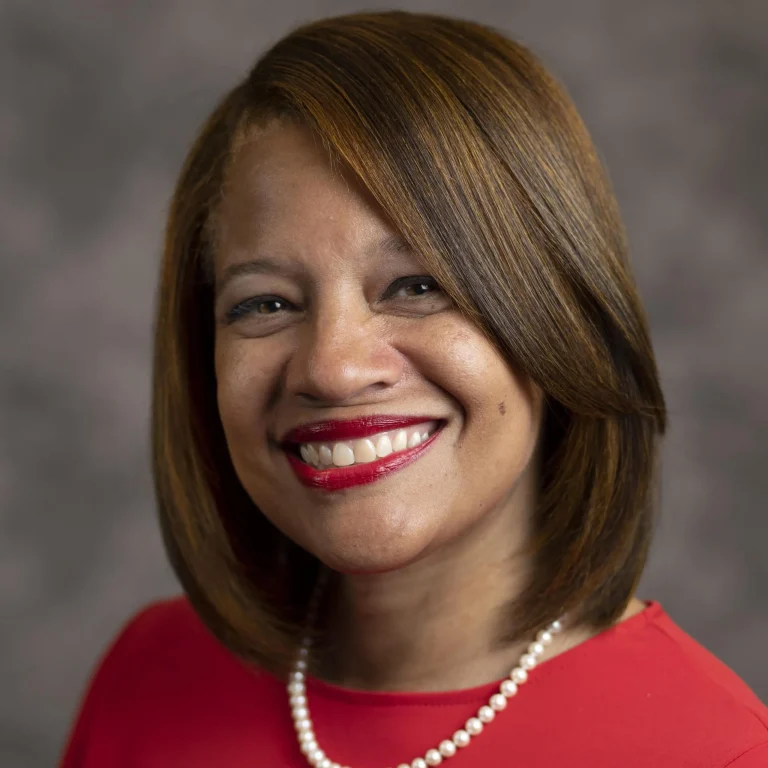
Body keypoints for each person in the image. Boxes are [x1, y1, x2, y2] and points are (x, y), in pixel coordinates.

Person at [60, 10, 767, 768]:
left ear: (560, 317)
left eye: (416, 285)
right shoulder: (148, 673)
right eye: (265, 304)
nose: (331, 367)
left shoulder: (712, 750)